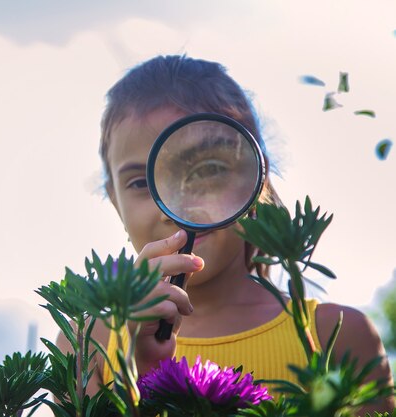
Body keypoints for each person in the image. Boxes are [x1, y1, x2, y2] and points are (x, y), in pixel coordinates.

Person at [56, 54, 394, 413]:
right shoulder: (85, 343)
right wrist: (140, 380)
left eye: (209, 169)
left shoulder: (335, 336)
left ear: (256, 179)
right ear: (114, 202)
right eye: (141, 182)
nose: (178, 206)